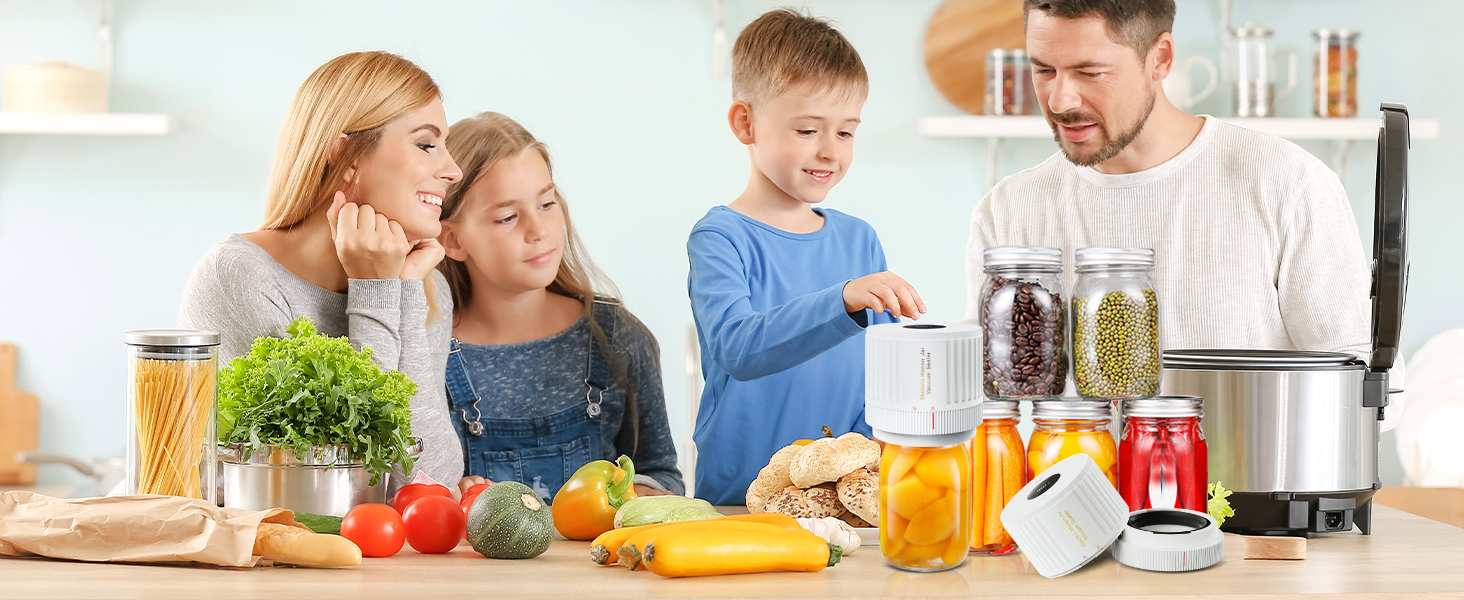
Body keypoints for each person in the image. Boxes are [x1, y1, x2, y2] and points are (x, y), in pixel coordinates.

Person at [964, 0, 1371, 358]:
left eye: (1088, 72)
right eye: (1044, 70)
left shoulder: (1287, 183)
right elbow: (982, 391)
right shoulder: (1006, 211)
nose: (1058, 100)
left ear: (1159, 58)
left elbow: (1363, 378)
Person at [179, 51, 465, 487]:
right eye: (427, 144)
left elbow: (432, 482)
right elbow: (325, 487)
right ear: (344, 153)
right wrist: (376, 290)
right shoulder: (241, 277)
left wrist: (400, 290)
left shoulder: (426, 288)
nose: (453, 170)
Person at [687, 9, 926, 506]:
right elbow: (737, 348)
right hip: (737, 498)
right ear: (745, 122)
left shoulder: (861, 241)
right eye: (807, 130)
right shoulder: (719, 236)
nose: (829, 152)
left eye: (845, 132)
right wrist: (841, 302)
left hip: (844, 501)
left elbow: (884, 379)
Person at [438, 113, 682, 501]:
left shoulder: (618, 338)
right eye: (507, 217)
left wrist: (639, 494)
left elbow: (661, 474)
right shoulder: (426, 355)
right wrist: (453, 494)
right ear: (451, 239)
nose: (538, 230)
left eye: (547, 203)